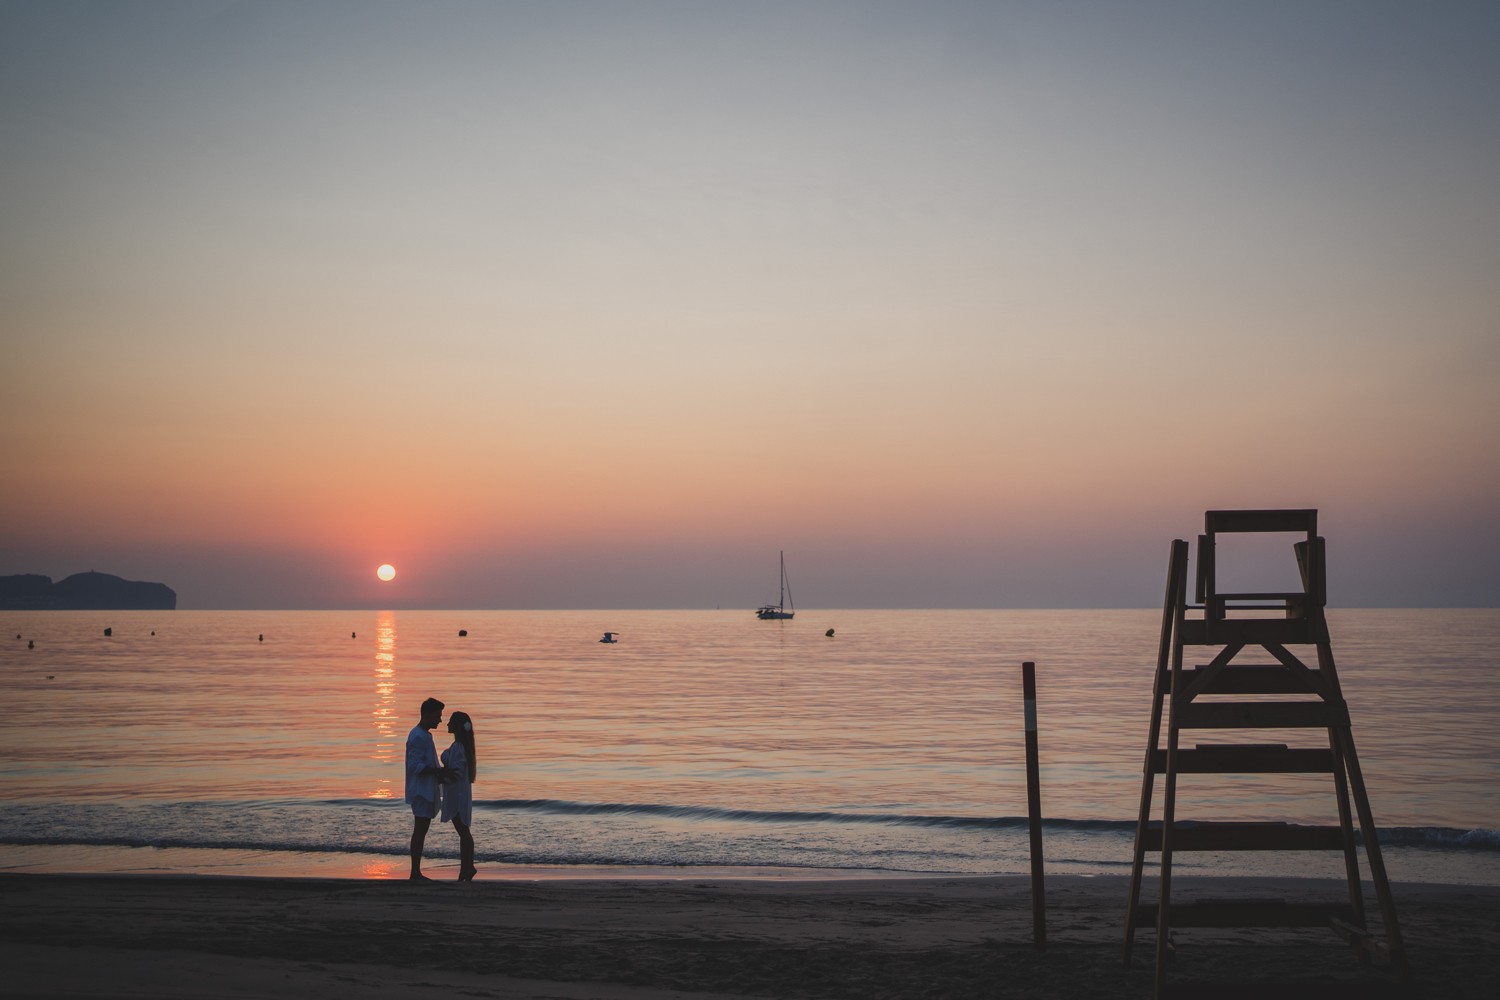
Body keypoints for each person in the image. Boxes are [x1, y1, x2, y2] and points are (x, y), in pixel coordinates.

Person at [405, 697, 447, 881]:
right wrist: (437, 771)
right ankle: (415, 872)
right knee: (420, 830)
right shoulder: (417, 736)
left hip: (426, 788)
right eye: (438, 716)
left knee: (422, 830)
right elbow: (415, 766)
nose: (440, 720)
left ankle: (416, 871)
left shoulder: (424, 735)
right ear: (429, 715)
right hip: (420, 790)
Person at [440, 710, 478, 881]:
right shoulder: (460, 747)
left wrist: (440, 775)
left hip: (457, 795)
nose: (447, 724)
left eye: (450, 722)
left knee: (463, 832)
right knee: (464, 832)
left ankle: (467, 868)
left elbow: (455, 773)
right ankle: (467, 867)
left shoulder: (459, 748)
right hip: (459, 793)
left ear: (456, 726)